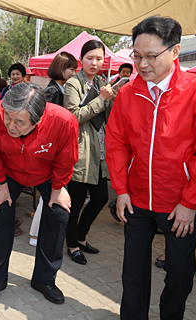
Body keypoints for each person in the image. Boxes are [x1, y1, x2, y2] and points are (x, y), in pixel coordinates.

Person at [106, 16, 196, 320]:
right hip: (136, 200)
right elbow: (117, 145)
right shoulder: (127, 94)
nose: (142, 63)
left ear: (175, 51)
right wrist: (120, 190)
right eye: (136, 55)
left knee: (179, 271)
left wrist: (191, 203)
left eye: (151, 56)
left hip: (180, 204)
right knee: (133, 270)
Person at [0, 83, 78, 304]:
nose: (11, 126)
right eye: (8, 118)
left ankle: (45, 279)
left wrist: (58, 188)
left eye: (19, 122)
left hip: (48, 173)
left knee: (59, 216)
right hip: (9, 172)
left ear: (39, 118)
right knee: (0, 216)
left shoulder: (63, 121)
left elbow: (66, 158)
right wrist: (1, 183)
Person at [63, 40, 114, 265]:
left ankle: (81, 237)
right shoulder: (73, 84)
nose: (94, 62)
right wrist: (101, 100)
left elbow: (108, 117)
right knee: (75, 202)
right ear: (81, 60)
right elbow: (73, 117)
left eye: (99, 58)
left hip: (100, 151)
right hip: (81, 151)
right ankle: (72, 244)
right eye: (90, 58)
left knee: (101, 198)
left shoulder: (103, 82)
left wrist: (112, 99)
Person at [28, 51, 78, 247]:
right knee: (49, 194)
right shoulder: (52, 91)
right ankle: (35, 235)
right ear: (61, 68)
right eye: (71, 69)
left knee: (50, 194)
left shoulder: (58, 89)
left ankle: (37, 234)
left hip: (52, 148)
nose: (73, 73)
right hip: (49, 150)